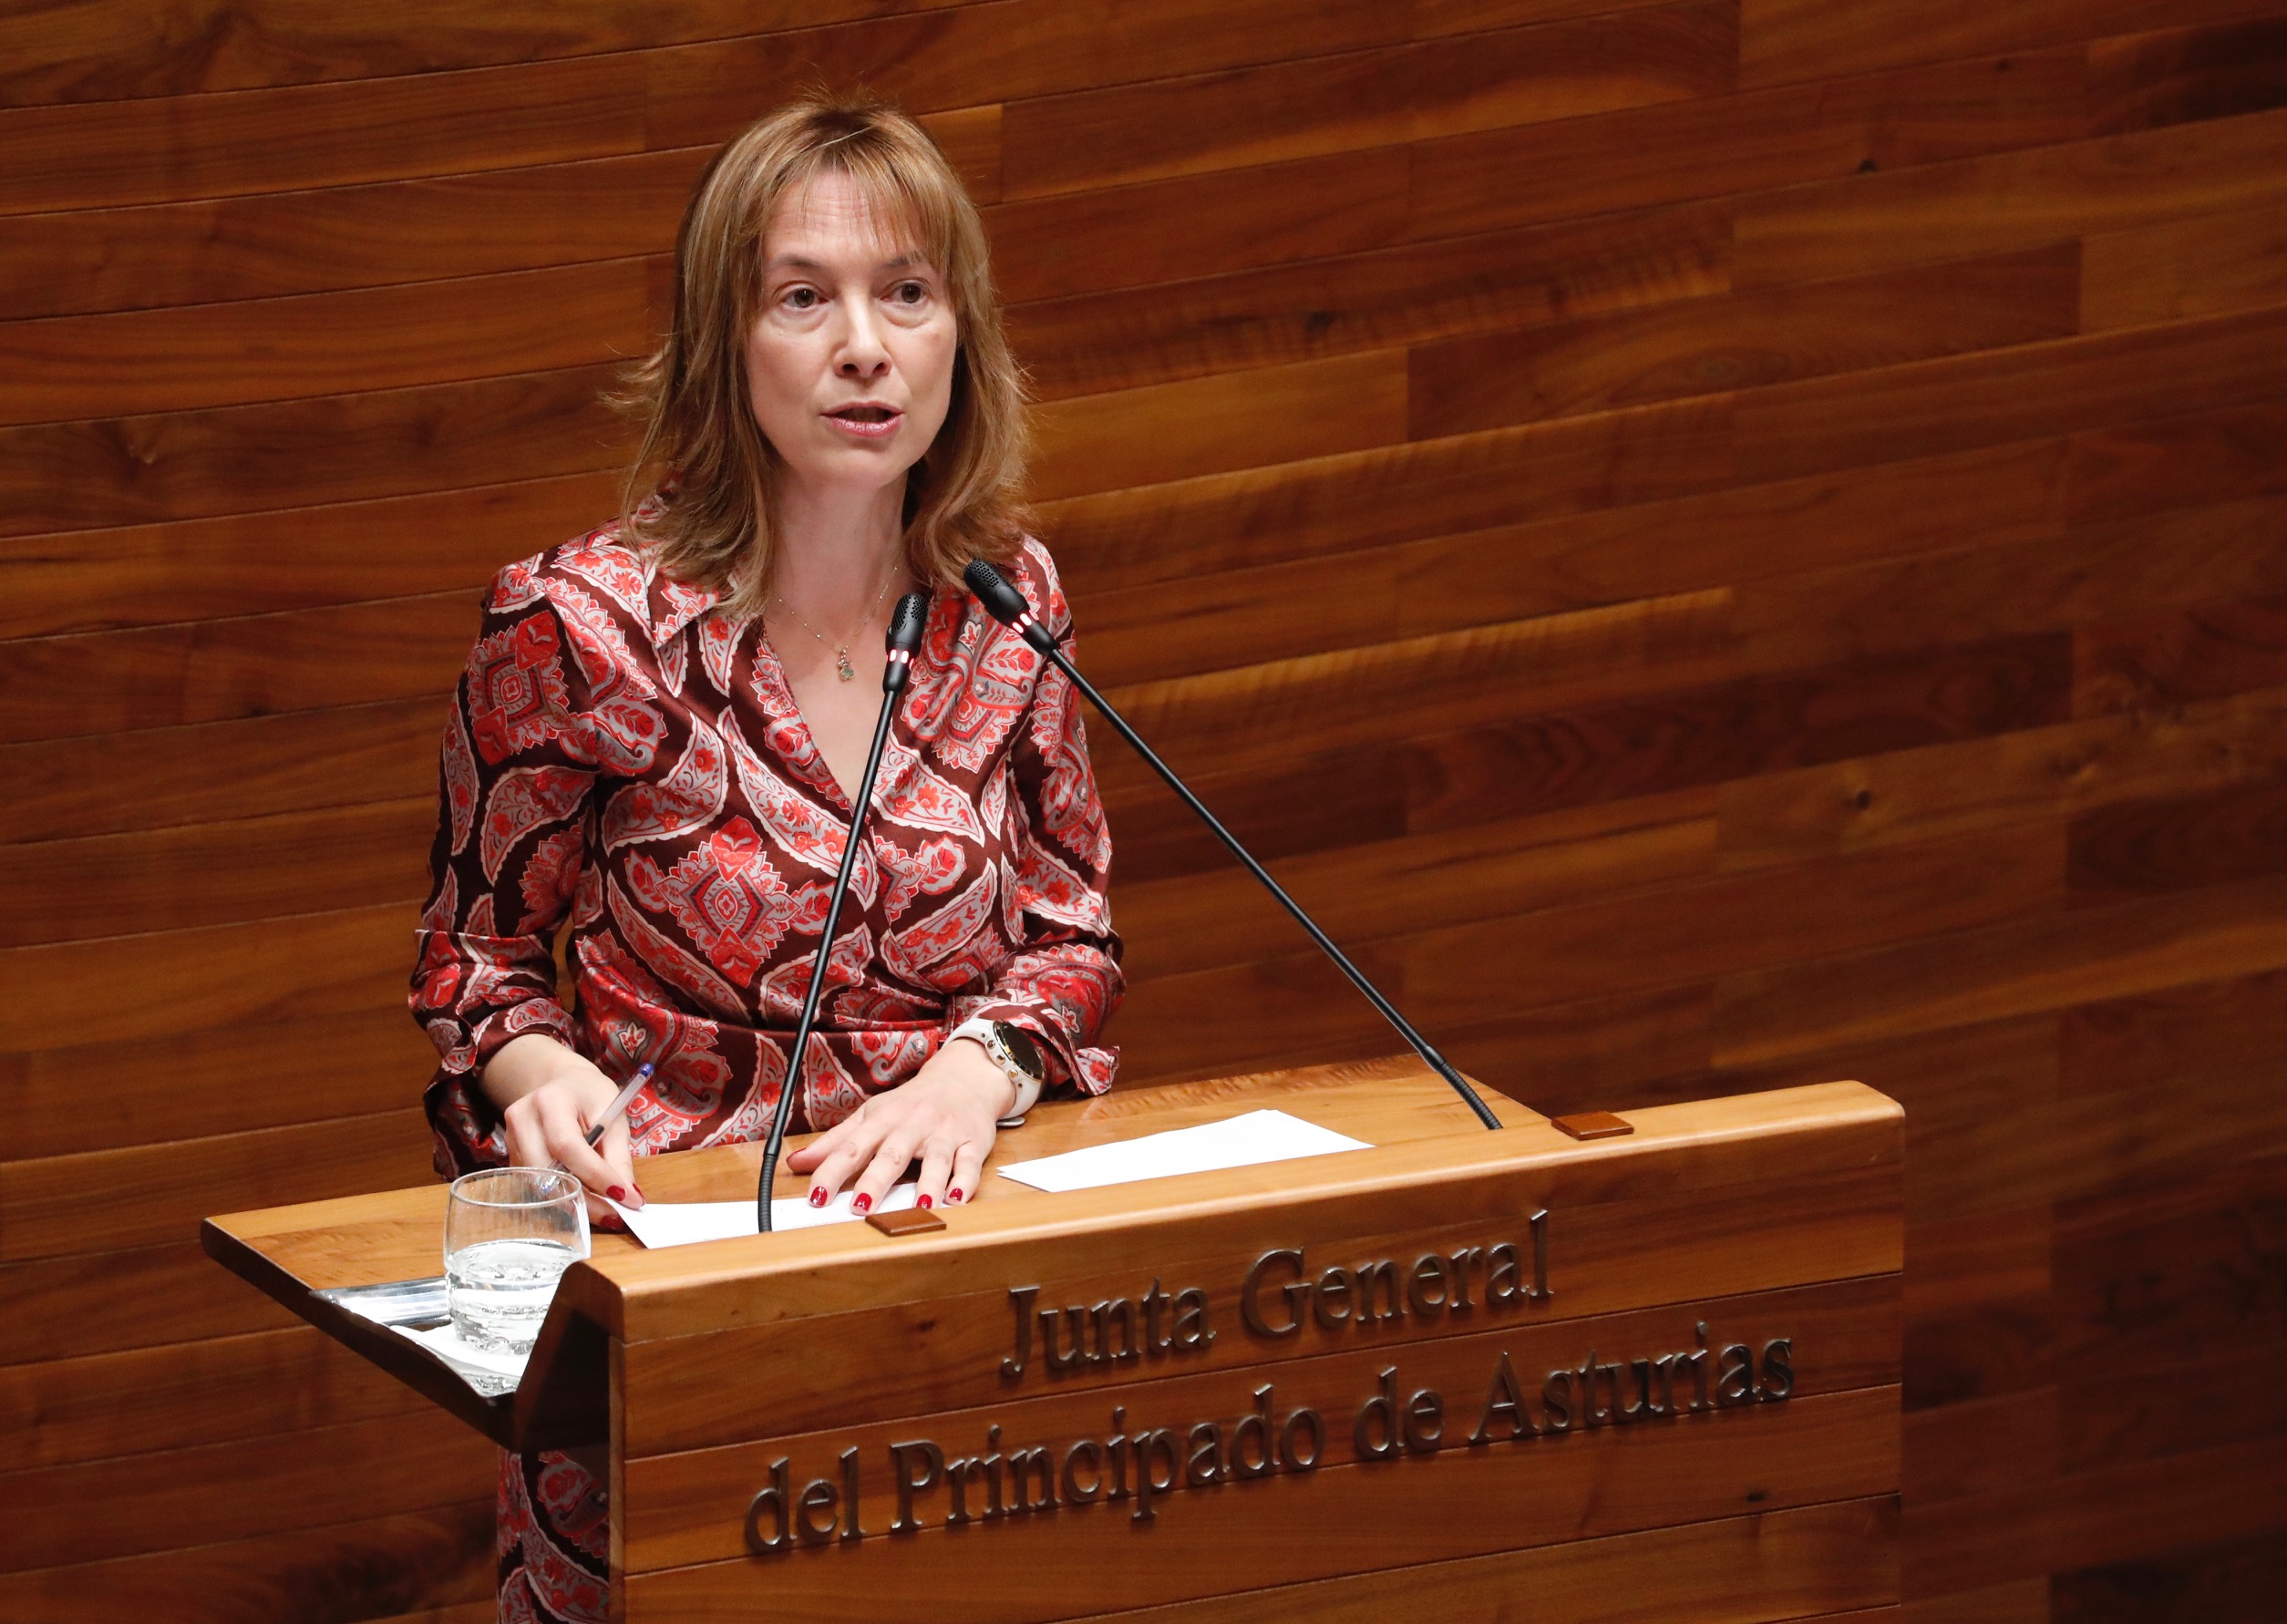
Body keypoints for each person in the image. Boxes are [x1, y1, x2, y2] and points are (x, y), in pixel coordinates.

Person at [407, 90, 1121, 1624]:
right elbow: (470, 956)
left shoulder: (1007, 600)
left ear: (961, 333)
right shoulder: (579, 624)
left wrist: (975, 1072)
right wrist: (538, 1070)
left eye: (907, 292)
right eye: (803, 298)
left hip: (958, 1309)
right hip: (666, 1314)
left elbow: (1070, 934)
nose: (865, 346)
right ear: (722, 343)